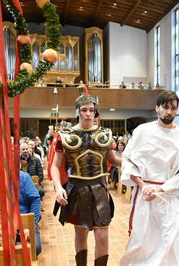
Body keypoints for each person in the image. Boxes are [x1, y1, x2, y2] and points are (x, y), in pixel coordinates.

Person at [119, 91, 179, 265]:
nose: (169, 112)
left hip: (169, 196)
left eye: (173, 108)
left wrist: (161, 189)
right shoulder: (142, 131)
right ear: (157, 108)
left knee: (172, 241)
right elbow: (128, 161)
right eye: (165, 107)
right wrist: (144, 186)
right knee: (143, 242)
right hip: (144, 194)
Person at [50, 90, 121, 266]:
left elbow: (113, 160)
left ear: (95, 112)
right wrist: (59, 188)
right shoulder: (65, 136)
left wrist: (135, 162)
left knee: (102, 235)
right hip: (76, 187)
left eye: (91, 110)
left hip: (99, 186)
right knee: (81, 234)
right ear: (78, 111)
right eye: (84, 110)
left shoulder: (104, 134)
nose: (88, 113)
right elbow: (55, 166)